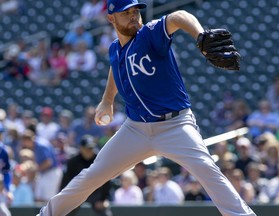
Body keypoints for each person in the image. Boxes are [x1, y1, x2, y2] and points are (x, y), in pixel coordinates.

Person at [37, 1, 256, 215]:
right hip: (135, 129)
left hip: (175, 125)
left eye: (136, 10)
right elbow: (116, 66)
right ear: (110, 18)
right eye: (126, 12)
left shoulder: (150, 34)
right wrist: (107, 100)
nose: (133, 15)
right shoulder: (115, 48)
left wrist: (200, 36)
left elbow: (179, 17)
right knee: (91, 176)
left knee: (208, 171)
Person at [60, 135, 112, 216]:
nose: (89, 150)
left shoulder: (99, 159)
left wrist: (103, 199)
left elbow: (106, 180)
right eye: (87, 148)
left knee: (104, 212)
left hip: (95, 194)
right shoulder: (73, 161)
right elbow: (65, 181)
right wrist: (65, 199)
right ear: (81, 148)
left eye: (91, 148)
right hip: (77, 194)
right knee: (65, 211)